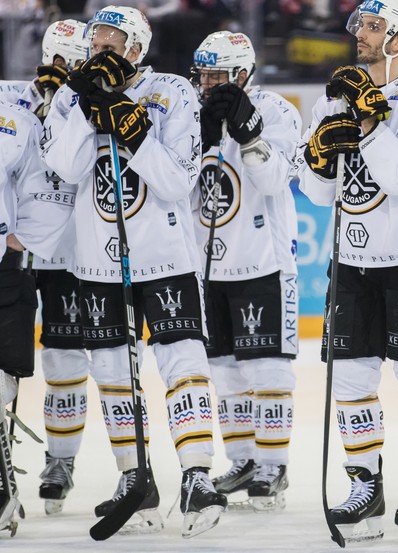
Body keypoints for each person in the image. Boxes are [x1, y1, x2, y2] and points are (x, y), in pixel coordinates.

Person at [41, 5, 227, 537]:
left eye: (110, 46)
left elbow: (175, 180)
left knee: (182, 362)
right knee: (111, 374)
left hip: (165, 255)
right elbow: (68, 167)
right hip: (99, 260)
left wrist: (131, 124)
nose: (99, 55)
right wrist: (84, 102)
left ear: (137, 50)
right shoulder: (71, 95)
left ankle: (197, 477)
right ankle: (135, 477)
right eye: (94, 46)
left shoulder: (174, 92)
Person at [297, 0, 398, 543]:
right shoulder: (333, 98)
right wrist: (320, 156)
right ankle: (365, 485)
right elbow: (318, 192)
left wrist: (368, 121)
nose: (358, 35)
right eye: (359, 25)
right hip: (352, 257)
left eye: (371, 26)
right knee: (350, 378)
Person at [189, 30, 302, 512]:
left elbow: (276, 178)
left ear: (241, 74)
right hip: (207, 262)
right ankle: (242, 460)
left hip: (263, 260)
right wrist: (201, 139)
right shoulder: (189, 113)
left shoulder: (277, 111)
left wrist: (247, 130)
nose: (207, 83)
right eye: (202, 74)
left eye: (216, 75)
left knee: (267, 366)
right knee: (224, 370)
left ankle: (273, 467)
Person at [8, 19, 94, 517]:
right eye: (58, 59)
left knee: (64, 360)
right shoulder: (15, 98)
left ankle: (60, 461)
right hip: (14, 251)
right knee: (7, 366)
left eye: (74, 61)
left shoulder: (93, 103)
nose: (64, 70)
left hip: (69, 253)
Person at [0, 97, 75, 537]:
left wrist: (21, 238)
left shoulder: (13, 118)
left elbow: (49, 184)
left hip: (4, 272)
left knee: (3, 380)